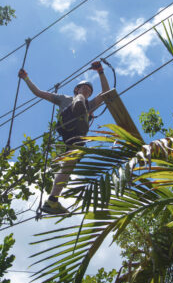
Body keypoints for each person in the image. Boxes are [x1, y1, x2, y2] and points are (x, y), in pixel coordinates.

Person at [18, 61, 110, 214]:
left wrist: (101, 71)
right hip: (68, 123)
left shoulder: (91, 104)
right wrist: (26, 78)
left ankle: (52, 200)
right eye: (84, 88)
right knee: (80, 100)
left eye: (89, 90)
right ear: (76, 88)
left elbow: (106, 92)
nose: (87, 91)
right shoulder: (64, 98)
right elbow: (39, 93)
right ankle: (78, 110)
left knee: (69, 166)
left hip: (76, 137)